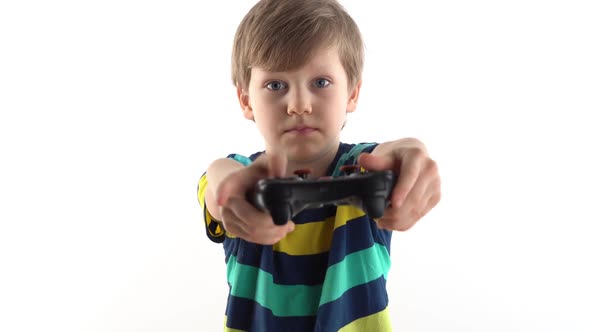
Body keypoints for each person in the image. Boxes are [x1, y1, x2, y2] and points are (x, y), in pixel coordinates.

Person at [197, 0, 441, 330]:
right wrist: (226, 185)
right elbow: (219, 182)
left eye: (321, 82)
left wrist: (413, 151)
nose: (299, 105)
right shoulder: (240, 177)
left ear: (352, 93)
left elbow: (396, 156)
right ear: (245, 100)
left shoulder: (368, 169)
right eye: (275, 85)